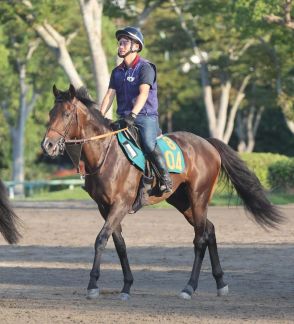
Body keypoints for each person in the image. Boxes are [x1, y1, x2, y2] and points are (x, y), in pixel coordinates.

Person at [99, 26, 172, 194]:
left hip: (145, 117)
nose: (120, 46)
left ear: (136, 46)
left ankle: (165, 178)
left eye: (124, 43)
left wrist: (133, 115)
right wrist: (100, 116)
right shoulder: (116, 72)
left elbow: (144, 93)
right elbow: (110, 95)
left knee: (147, 143)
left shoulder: (146, 67)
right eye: (119, 43)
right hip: (124, 117)